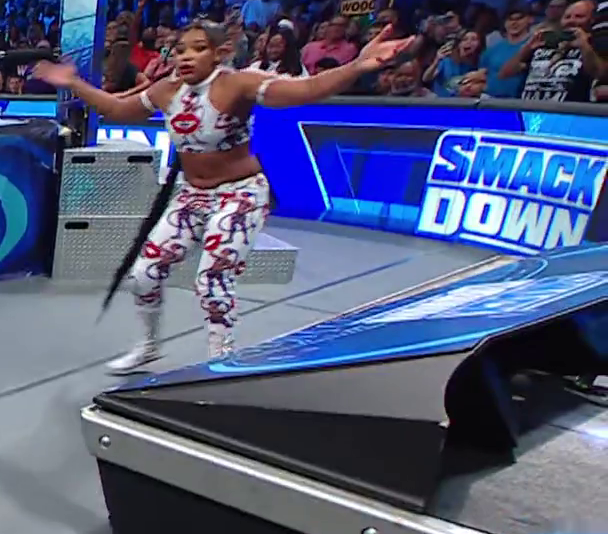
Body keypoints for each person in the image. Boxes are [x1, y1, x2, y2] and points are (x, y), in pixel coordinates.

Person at [38, 21, 414, 372]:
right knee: (145, 274)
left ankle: (222, 362)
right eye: (179, 50)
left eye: (198, 48)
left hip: (241, 194)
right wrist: (73, 83)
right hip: (191, 196)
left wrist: (358, 66)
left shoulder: (238, 84)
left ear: (219, 53)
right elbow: (118, 109)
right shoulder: (166, 90)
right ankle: (149, 345)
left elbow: (306, 90)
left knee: (212, 280)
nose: (186, 57)